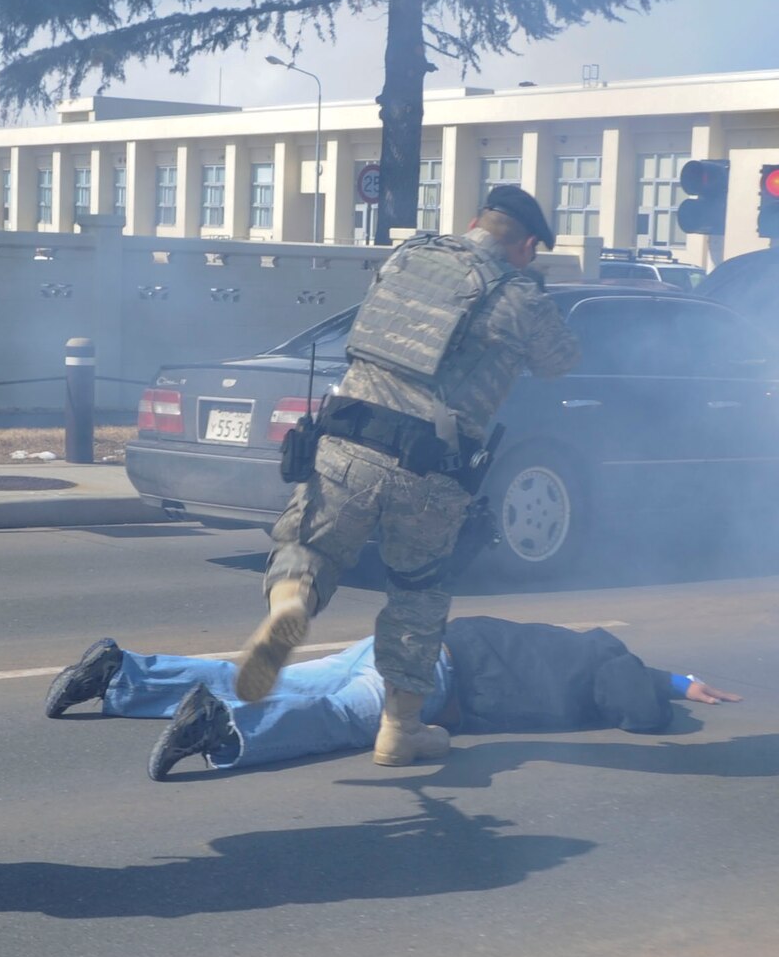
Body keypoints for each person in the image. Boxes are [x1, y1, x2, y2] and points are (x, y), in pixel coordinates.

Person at [235, 185, 580, 766]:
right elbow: (560, 362)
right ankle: (401, 728)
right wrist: (535, 296)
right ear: (524, 246)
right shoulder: (519, 297)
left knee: (310, 545)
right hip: (432, 470)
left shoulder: (407, 256)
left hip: (347, 440)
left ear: (473, 221)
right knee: (417, 594)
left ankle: (290, 605)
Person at [42, 616, 742, 778]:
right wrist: (663, 703)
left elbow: (632, 680)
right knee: (345, 716)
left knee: (278, 677)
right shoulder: (603, 662)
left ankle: (124, 673)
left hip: (406, 638)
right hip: (435, 676)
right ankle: (227, 729)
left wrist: (678, 681)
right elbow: (635, 706)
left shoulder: (578, 647)